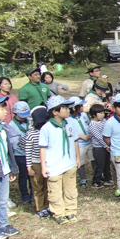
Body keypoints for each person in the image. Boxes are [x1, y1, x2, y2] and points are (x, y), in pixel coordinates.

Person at [39, 95, 80, 225]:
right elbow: (43, 148)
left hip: (69, 163)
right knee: (55, 190)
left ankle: (71, 209)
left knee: (70, 188)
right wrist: (43, 166)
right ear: (55, 112)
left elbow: (75, 142)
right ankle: (59, 213)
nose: (69, 110)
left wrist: (77, 158)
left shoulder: (70, 125)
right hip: (54, 166)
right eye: (65, 108)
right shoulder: (46, 128)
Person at [0, 95, 20, 239]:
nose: (5, 111)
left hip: (4, 169)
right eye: (1, 108)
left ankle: (3, 224)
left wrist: (12, 168)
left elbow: (9, 149)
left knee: (3, 200)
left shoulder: (3, 128)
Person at [21, 106, 50, 218]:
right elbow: (27, 151)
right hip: (36, 163)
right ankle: (40, 208)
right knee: (38, 186)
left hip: (47, 162)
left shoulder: (48, 131)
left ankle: (48, 205)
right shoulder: (31, 134)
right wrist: (29, 167)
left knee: (47, 185)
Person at [6, 101, 32, 202]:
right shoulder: (10, 126)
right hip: (19, 154)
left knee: (31, 175)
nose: (24, 118)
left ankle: (33, 193)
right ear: (15, 113)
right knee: (23, 175)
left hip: (30, 153)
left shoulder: (30, 122)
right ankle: (24, 194)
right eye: (22, 116)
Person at [67, 97, 95, 188]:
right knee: (81, 162)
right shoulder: (68, 119)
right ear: (74, 108)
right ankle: (83, 179)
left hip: (90, 141)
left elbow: (88, 124)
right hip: (79, 144)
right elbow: (69, 133)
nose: (83, 107)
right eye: (81, 106)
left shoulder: (83, 115)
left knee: (93, 158)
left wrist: (90, 132)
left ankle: (97, 175)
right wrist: (81, 136)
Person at [88, 104, 112, 188]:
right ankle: (96, 181)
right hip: (98, 147)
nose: (102, 115)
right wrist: (106, 146)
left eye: (103, 113)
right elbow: (99, 138)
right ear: (94, 114)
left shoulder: (104, 121)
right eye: (100, 113)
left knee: (107, 163)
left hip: (106, 146)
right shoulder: (92, 124)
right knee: (100, 164)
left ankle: (107, 178)